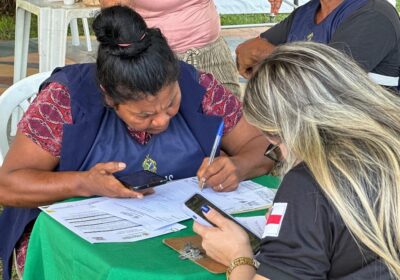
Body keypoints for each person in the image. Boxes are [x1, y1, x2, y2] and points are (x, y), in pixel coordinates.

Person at [0, 6, 274, 280]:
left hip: (180, 230)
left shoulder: (198, 87)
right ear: (108, 97)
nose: (162, 121)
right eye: (144, 115)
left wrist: (238, 165)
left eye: (171, 104)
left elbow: (261, 145)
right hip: (79, 240)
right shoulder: (66, 99)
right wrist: (83, 182)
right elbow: (8, 184)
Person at [193, 42, 400, 279]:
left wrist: (238, 258)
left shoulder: (310, 183)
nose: (281, 155)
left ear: (284, 130)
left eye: (275, 145)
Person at [236, 0, 400, 91]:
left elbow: (324, 84)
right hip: (308, 134)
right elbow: (246, 53)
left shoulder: (374, 14)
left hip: (360, 142)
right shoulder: (305, 12)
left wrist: (270, 56)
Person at [99, 0, 243, 98]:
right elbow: (116, 14)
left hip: (212, 52)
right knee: (162, 128)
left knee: (228, 120)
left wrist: (265, 38)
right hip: (153, 60)